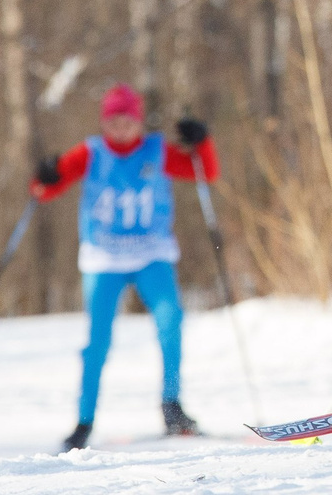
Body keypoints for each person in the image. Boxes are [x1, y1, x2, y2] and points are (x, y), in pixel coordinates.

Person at [31, 84, 217, 449]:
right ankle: (83, 421)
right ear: (104, 123)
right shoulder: (91, 153)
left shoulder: (156, 150)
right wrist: (46, 174)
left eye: (127, 122)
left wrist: (202, 142)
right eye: (113, 122)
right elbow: (44, 190)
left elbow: (205, 173)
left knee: (171, 323)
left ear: (138, 121)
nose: (120, 129)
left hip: (153, 254)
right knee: (97, 342)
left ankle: (172, 405)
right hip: (105, 258)